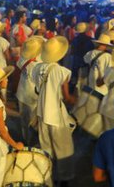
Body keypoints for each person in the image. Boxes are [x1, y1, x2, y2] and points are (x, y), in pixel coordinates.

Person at [36, 36, 76, 187]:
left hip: (42, 112)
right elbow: (66, 97)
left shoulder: (37, 68)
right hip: (56, 115)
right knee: (63, 148)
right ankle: (63, 178)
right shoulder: (61, 71)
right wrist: (77, 100)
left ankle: (48, 177)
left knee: (46, 147)